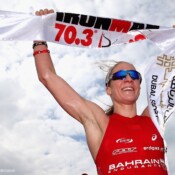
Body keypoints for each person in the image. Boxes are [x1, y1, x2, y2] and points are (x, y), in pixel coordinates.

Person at [33, 9, 168, 175]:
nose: (128, 79)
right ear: (108, 89)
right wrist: (40, 33)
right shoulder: (99, 122)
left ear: (139, 85)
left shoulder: (154, 116)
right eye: (119, 76)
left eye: (134, 75)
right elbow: (48, 77)